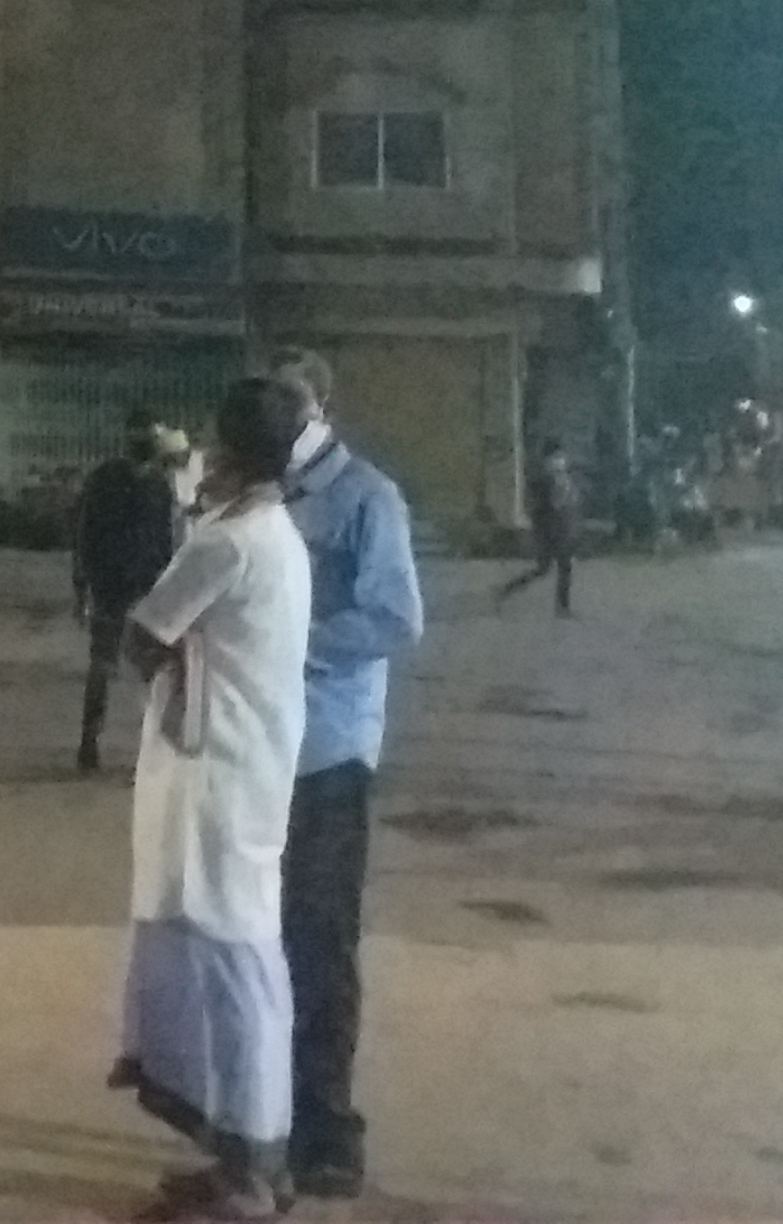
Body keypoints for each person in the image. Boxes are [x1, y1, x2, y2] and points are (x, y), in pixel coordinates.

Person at [110, 375, 318, 1223]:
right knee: (231, 960)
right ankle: (245, 1152)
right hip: (244, 767)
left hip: (216, 777)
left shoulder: (227, 543)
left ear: (227, 447)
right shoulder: (271, 532)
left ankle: (249, 1175)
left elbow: (142, 634)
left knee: (232, 967)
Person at [271, 362, 424, 1201]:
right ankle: (261, 1118)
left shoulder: (368, 498)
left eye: (293, 401)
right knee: (254, 939)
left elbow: (398, 616)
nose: (281, 415)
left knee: (321, 939)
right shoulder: (261, 493)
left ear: (324, 407)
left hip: (328, 749)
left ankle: (328, 1125)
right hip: (257, 751)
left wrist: (292, 642)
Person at [73, 411, 189, 774]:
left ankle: (91, 744)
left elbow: (84, 536)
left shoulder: (109, 478)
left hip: (117, 582)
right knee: (147, 672)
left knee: (107, 665)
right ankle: (136, 749)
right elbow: (164, 540)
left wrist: (82, 589)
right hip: (140, 584)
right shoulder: (155, 484)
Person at [502, 439, 585, 618]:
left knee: (553, 568)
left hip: (560, 527)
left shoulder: (562, 477)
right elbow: (547, 506)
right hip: (551, 529)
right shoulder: (546, 478)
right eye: (558, 456)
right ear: (551, 458)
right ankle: (560, 607)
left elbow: (571, 500)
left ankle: (512, 589)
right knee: (553, 567)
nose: (562, 459)